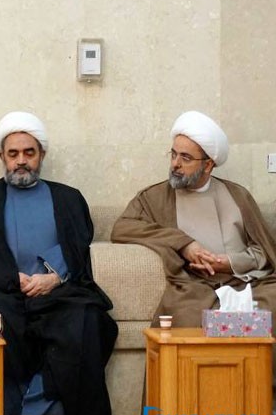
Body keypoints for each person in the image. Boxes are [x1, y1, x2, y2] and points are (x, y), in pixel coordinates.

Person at [0, 112, 118, 415]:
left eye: (29, 152)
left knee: (88, 319)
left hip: (57, 292)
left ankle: (31, 409)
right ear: (2, 157)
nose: (21, 161)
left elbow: (78, 245)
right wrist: (12, 278)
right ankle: (17, 411)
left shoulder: (68, 198)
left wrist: (53, 276)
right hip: (4, 291)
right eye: (13, 154)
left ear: (41, 154)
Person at [111, 110, 276, 326]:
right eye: (173, 154)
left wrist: (230, 263)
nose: (175, 164)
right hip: (194, 289)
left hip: (246, 284)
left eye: (185, 158)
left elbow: (264, 252)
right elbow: (122, 228)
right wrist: (184, 244)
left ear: (208, 165)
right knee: (187, 314)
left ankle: (243, 343)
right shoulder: (154, 197)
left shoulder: (238, 195)